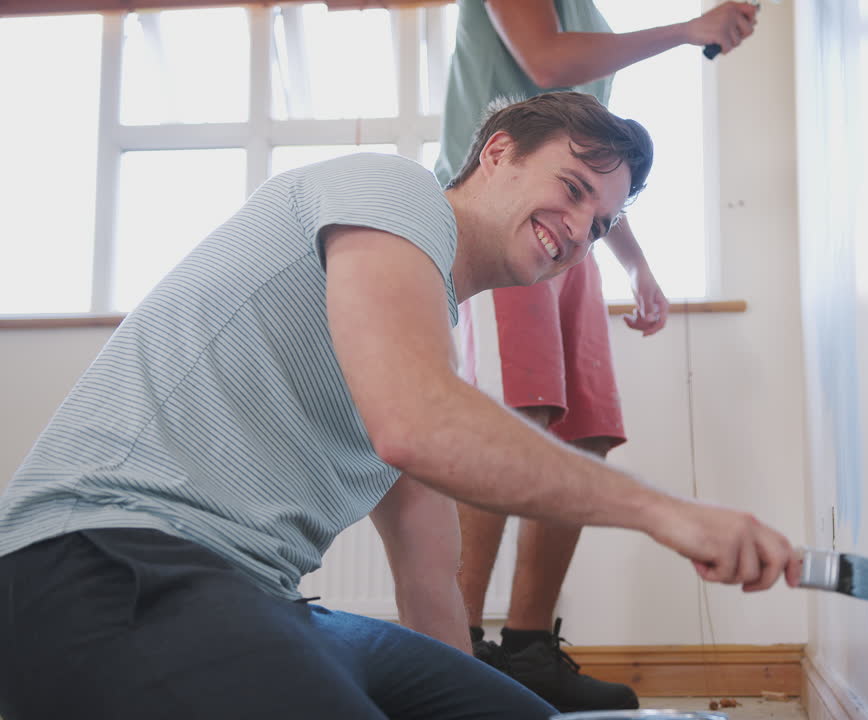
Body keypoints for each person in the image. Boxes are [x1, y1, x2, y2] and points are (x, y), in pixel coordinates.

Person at [0, 91, 798, 720]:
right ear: (496, 154)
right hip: (100, 562)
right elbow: (420, 424)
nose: (581, 229)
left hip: (260, 597)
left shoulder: (412, 345)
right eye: (574, 187)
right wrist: (666, 513)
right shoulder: (392, 188)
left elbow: (429, 580)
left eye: (601, 223)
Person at [420, 1, 761, 712]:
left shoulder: (591, 13)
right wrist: (686, 30)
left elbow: (590, 169)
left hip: (569, 234)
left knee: (588, 428)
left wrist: (635, 262)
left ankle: (528, 650)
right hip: (502, 218)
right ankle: (450, 653)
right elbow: (546, 62)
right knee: (520, 413)